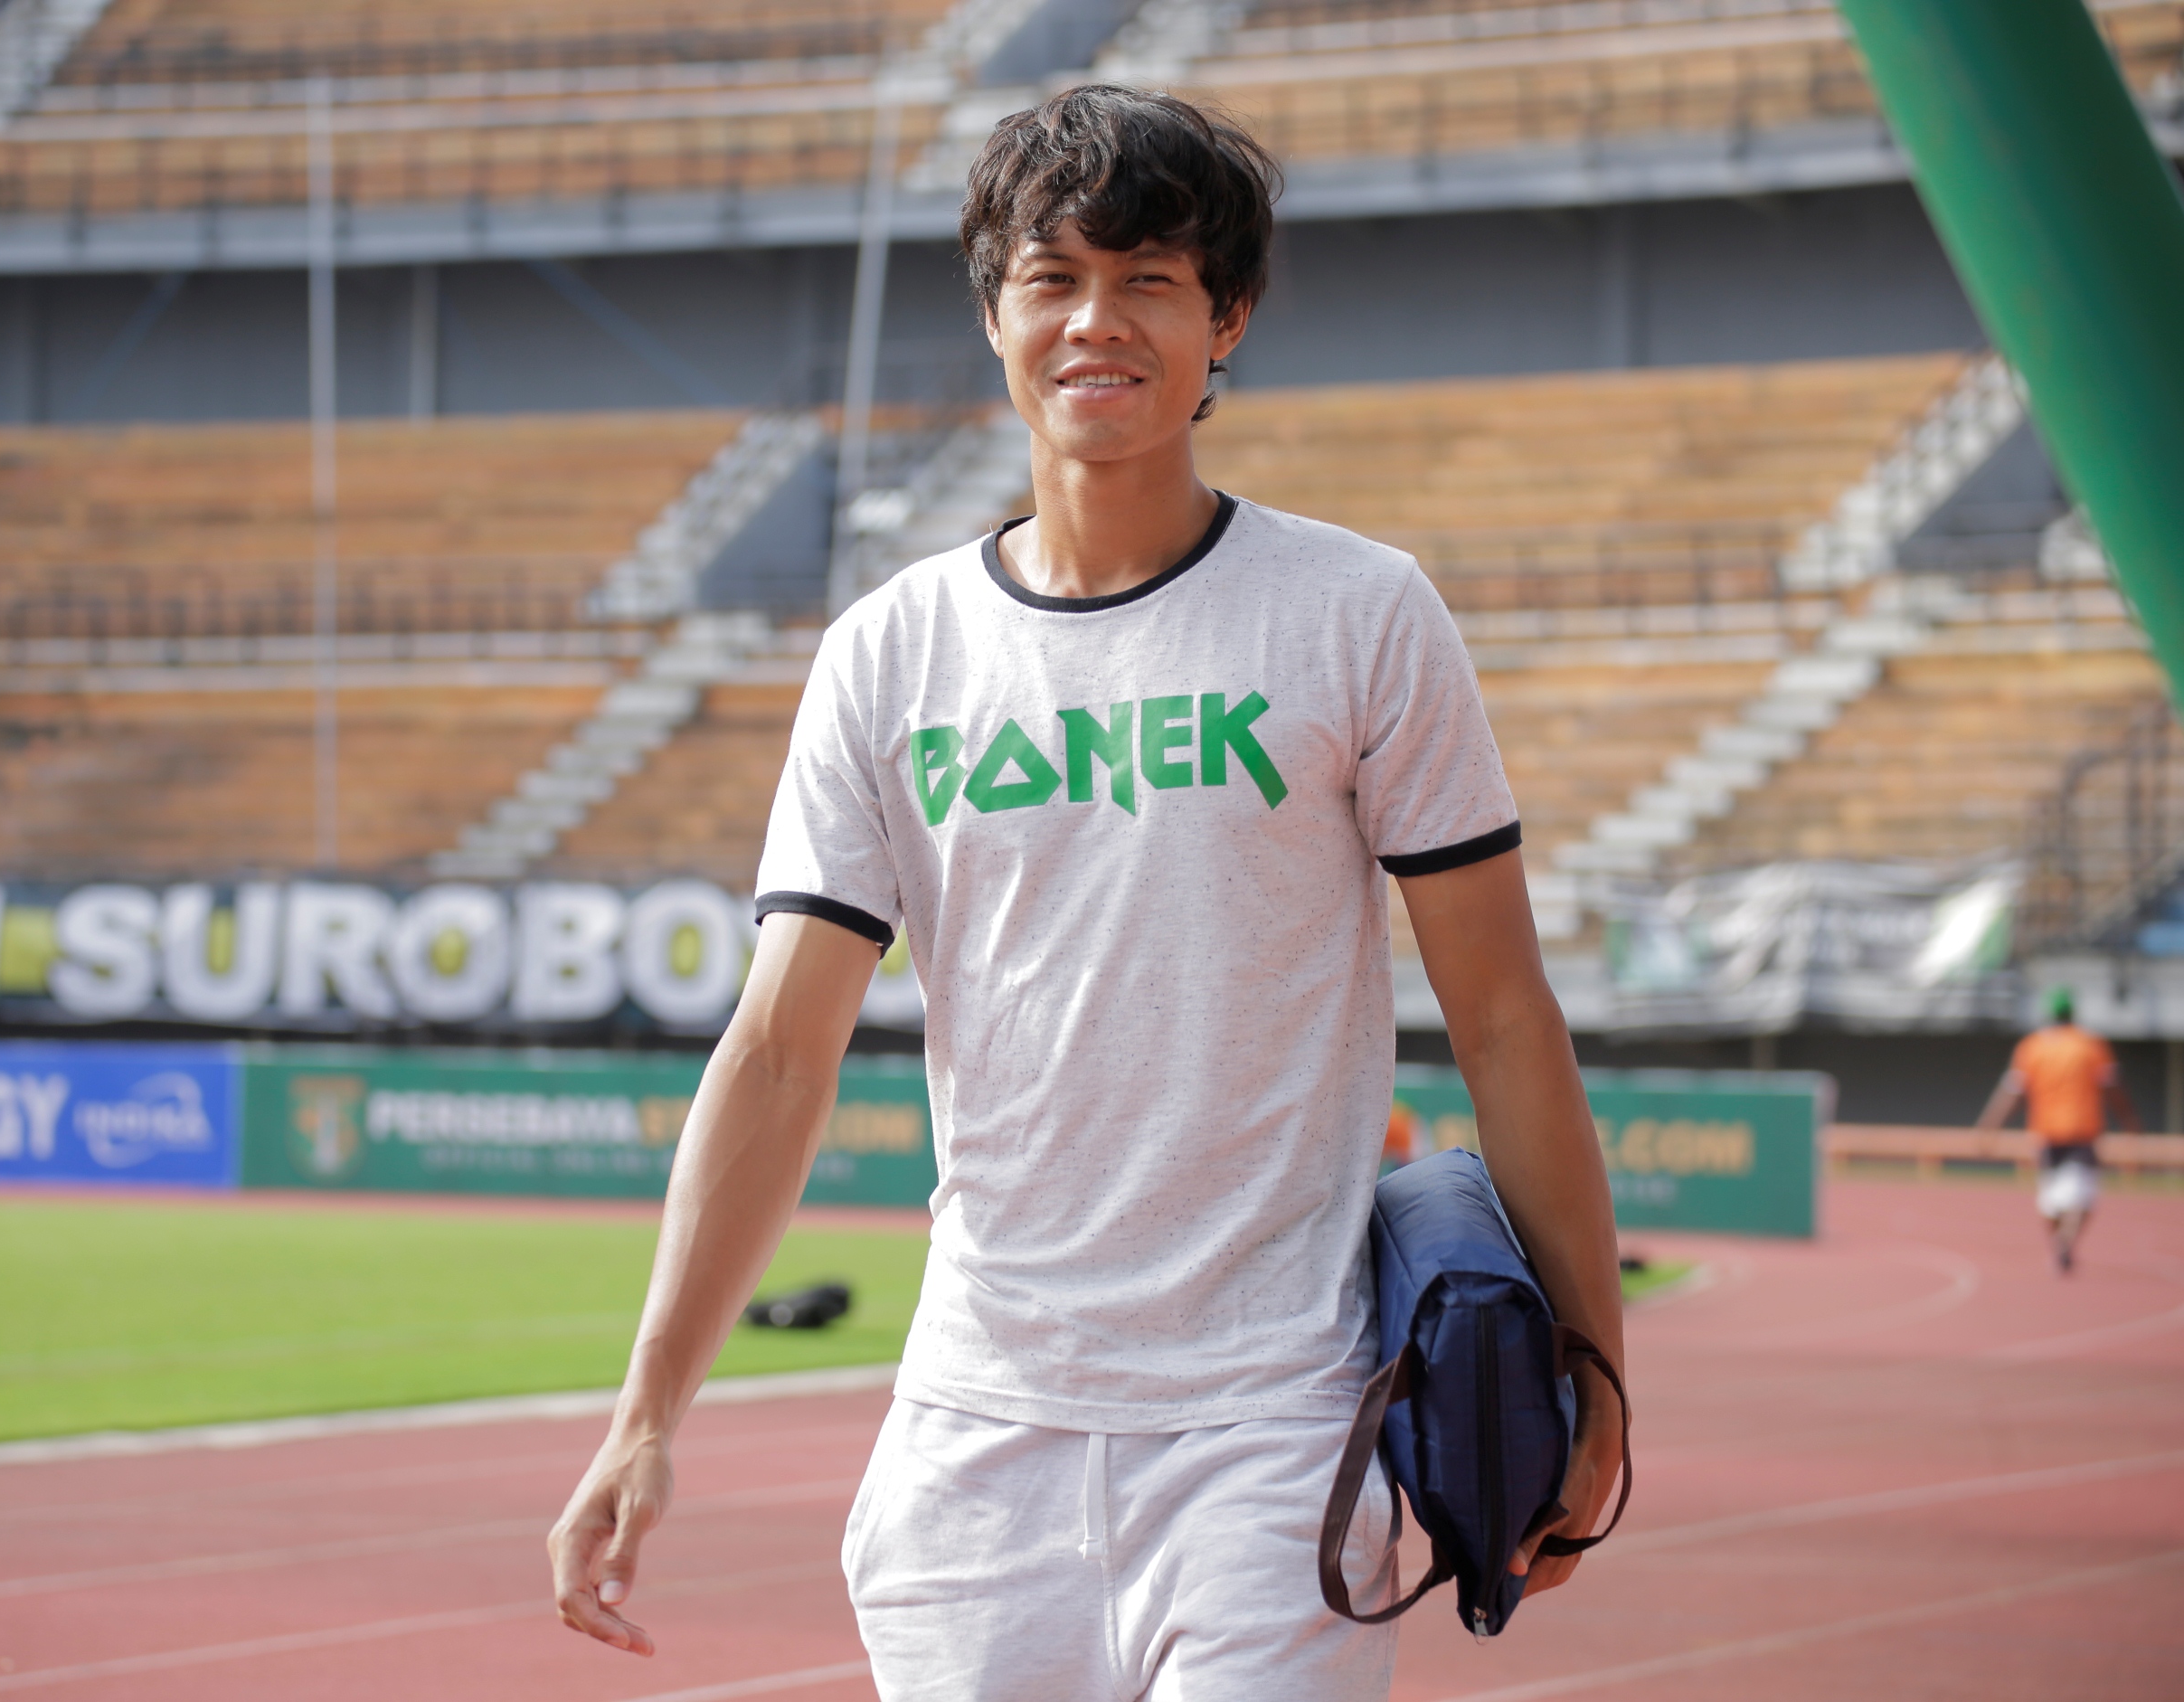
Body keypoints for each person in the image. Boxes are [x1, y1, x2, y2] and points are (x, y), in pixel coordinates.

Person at [547, 85, 1627, 1699]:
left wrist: (1594, 1371)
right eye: (1050, 277)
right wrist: (644, 1416)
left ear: (1227, 321)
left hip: (1277, 1423)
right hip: (976, 1442)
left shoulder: (1358, 612)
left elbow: (1498, 1008)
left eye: (1149, 281)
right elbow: (778, 1054)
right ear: (994, 312)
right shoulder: (886, 654)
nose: (1093, 322)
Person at [1977, 987, 2139, 1273]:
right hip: (2082, 1130)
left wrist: (1990, 1125)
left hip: (2045, 1132)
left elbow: (2013, 1092)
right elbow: (2113, 1088)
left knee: (2051, 1198)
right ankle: (2066, 1242)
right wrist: (2129, 1121)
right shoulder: (2091, 1045)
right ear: (2073, 1013)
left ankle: (2059, 1243)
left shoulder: (2032, 1047)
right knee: (2082, 1197)